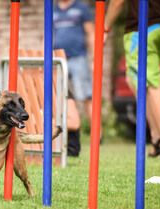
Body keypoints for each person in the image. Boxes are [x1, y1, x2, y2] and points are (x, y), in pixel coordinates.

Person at [104, 0, 160, 158]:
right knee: (131, 79)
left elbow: (117, 2)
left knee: (154, 87)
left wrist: (105, 28)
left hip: (141, 29)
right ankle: (156, 136)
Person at [53, 0, 97, 156]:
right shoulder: (54, 10)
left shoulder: (81, 8)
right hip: (58, 59)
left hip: (78, 58)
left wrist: (93, 59)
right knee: (56, 97)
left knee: (85, 97)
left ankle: (96, 136)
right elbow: (49, 34)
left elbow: (91, 33)